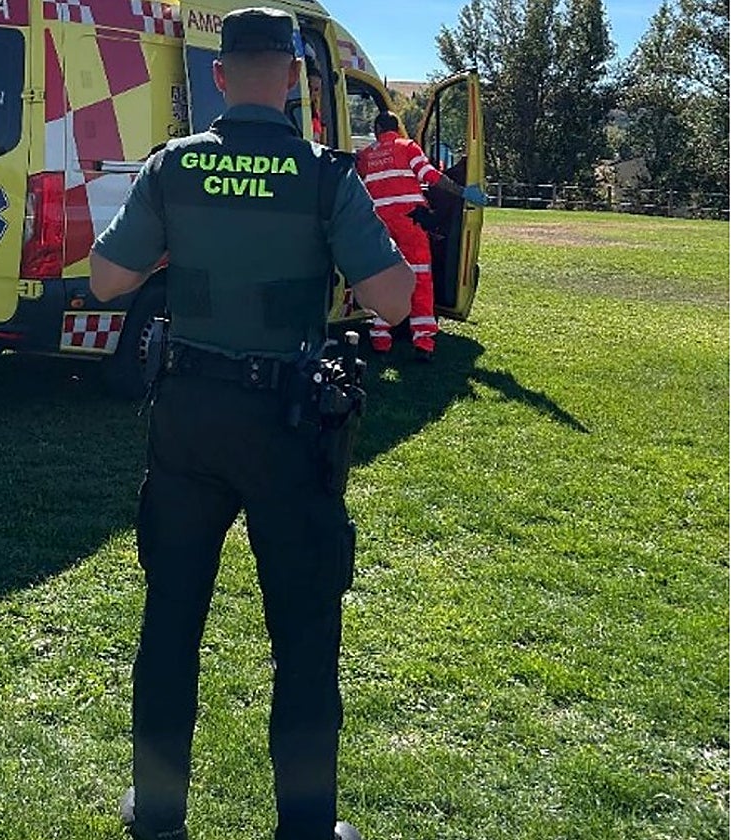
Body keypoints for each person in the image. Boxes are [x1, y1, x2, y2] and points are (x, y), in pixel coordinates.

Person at [88, 8, 415, 840]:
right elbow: (393, 299)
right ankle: (305, 826)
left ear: (220, 75)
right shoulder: (324, 175)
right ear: (296, 80)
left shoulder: (174, 165)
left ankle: (158, 814)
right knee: (304, 638)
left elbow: (108, 280)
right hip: (289, 427)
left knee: (171, 623)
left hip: (189, 420)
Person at [354, 110, 488, 360]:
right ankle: (423, 340)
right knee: (420, 278)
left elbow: (357, 183)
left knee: (384, 279)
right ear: (397, 128)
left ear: (377, 130)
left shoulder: (367, 155)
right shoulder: (407, 147)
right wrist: (462, 192)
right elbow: (431, 176)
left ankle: (380, 338)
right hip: (410, 221)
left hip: (380, 225)